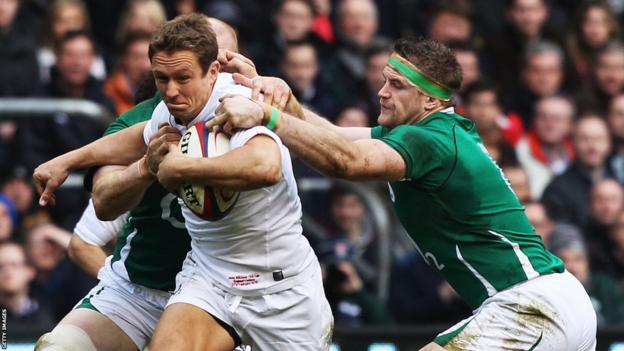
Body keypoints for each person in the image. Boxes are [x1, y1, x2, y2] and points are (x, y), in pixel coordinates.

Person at [210, 37, 597, 350]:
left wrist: (268, 116)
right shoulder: (432, 133)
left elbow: (346, 162)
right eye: (384, 80)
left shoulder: (428, 141)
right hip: (558, 302)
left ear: (430, 100)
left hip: (532, 305)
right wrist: (275, 95)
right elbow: (335, 138)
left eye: (397, 86)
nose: (382, 92)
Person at [36, 14, 332, 351]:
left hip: (280, 287)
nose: (172, 90)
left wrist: (183, 169)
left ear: (214, 71)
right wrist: (69, 160)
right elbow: (138, 138)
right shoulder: (172, 107)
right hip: (208, 280)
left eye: (182, 77)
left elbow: (266, 166)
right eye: (162, 78)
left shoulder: (238, 101)